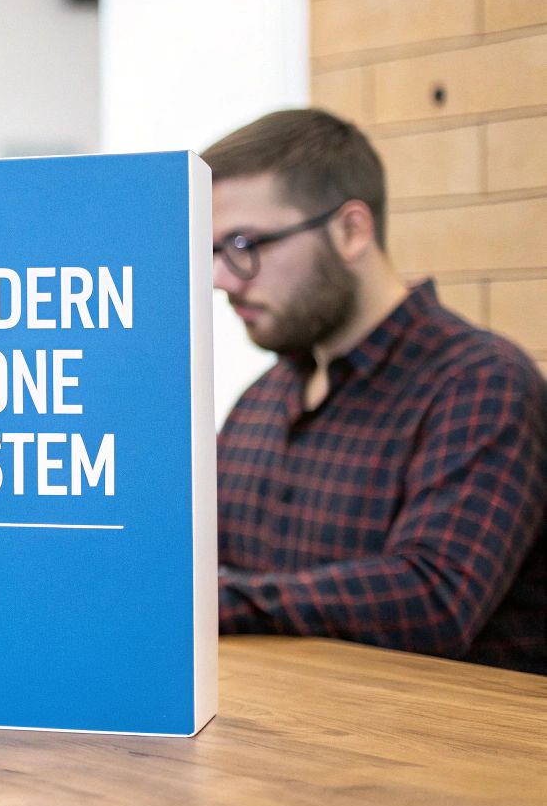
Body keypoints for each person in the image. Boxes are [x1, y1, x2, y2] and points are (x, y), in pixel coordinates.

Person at [206, 108, 546, 674]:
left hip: (444, 753)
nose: (222, 278)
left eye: (244, 243)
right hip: (276, 747)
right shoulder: (259, 403)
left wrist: (220, 601)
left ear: (351, 231)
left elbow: (434, 598)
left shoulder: (481, 384)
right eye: (214, 251)